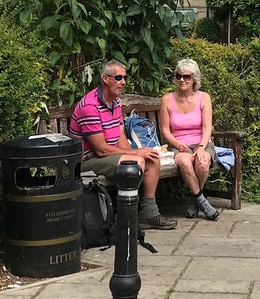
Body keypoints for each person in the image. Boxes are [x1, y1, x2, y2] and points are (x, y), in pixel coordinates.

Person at [68, 60, 176, 230]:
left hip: (108, 156)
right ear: (105, 79)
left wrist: (138, 151)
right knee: (136, 162)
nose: (123, 82)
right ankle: (126, 217)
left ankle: (148, 214)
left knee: (152, 158)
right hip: (87, 161)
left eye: (124, 78)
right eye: (118, 78)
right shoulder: (89, 106)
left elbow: (121, 138)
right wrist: (136, 155)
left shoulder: (116, 102)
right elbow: (101, 149)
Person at [158, 58, 220, 221]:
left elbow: (207, 128)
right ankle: (201, 201)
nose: (182, 80)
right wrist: (177, 143)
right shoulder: (167, 99)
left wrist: (201, 147)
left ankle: (194, 200)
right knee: (185, 162)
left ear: (195, 79)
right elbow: (165, 130)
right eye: (179, 76)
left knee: (202, 162)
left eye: (186, 77)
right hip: (179, 145)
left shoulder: (203, 97)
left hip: (202, 142)